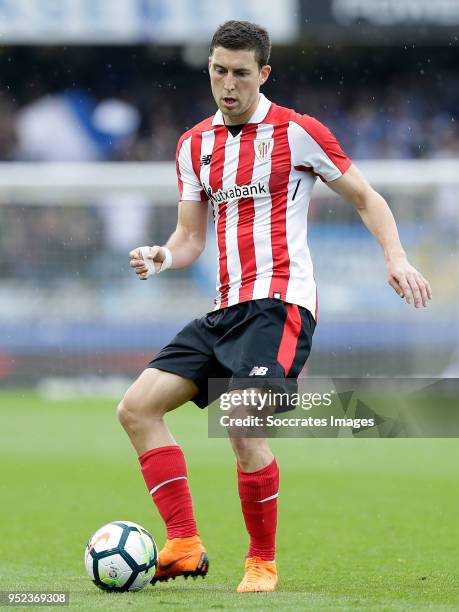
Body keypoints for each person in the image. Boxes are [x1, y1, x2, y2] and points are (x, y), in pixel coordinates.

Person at [117, 20, 432, 593]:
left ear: (263, 74)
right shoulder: (193, 145)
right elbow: (191, 238)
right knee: (136, 409)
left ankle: (262, 561)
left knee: (239, 418)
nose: (228, 85)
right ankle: (185, 543)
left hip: (280, 307)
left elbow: (367, 196)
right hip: (222, 311)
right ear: (209, 69)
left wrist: (396, 257)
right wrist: (161, 256)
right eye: (219, 71)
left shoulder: (298, 131)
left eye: (240, 73)